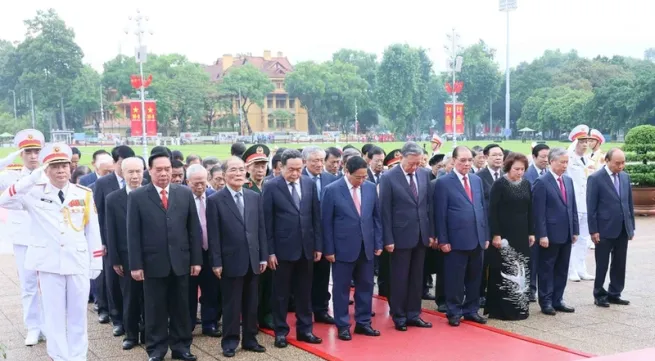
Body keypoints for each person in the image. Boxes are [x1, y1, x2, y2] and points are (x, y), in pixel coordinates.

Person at [0, 143, 103, 361]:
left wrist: (95, 262)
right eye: (54, 166)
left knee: (78, 317)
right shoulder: (34, 193)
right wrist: (29, 179)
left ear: (71, 168)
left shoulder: (83, 194)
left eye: (64, 166)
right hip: (49, 264)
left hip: (77, 261)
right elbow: (4, 200)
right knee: (55, 318)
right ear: (45, 170)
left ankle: (78, 357)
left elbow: (93, 230)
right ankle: (59, 357)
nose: (60, 171)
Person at [127, 152, 203, 361]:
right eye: (158, 169)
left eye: (167, 169)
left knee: (181, 307)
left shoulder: (184, 193)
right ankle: (156, 350)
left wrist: (196, 260)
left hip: (181, 262)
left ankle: (181, 347)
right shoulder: (138, 196)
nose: (163, 173)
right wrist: (136, 264)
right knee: (155, 309)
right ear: (149, 171)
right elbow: (132, 234)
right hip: (152, 263)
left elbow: (193, 229)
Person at [207, 157, 268, 358]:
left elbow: (260, 229)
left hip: (253, 259)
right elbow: (213, 235)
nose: (238, 173)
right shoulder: (215, 200)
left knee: (252, 303)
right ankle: (230, 342)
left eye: (242, 169)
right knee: (231, 304)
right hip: (229, 260)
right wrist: (216, 261)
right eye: (233, 170)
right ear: (224, 174)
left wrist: (263, 257)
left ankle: (250, 339)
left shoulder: (253, 197)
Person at [263, 149, 323, 348]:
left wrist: (317, 245)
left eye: (299, 169)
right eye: (291, 169)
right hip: (282, 250)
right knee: (280, 294)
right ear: (281, 167)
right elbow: (267, 222)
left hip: (306, 248)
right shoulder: (271, 187)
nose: (296, 173)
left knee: (304, 293)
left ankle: (305, 330)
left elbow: (315, 217)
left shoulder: (309, 184)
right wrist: (270, 252)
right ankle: (281, 332)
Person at [322, 156, 383, 341]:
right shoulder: (331, 190)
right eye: (358, 177)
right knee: (341, 289)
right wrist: (329, 249)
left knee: (366, 286)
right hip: (342, 249)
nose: (362, 180)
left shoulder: (370, 188)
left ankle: (363, 323)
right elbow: (326, 223)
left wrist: (378, 243)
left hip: (366, 247)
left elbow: (376, 218)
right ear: (346, 171)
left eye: (365, 176)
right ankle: (342, 325)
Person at [379, 141, 433, 331]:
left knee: (417, 277)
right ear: (401, 158)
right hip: (399, 235)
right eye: (412, 163)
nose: (415, 167)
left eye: (418, 163)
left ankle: (414, 313)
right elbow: (384, 210)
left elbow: (428, 206)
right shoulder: (388, 177)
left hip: (421, 234)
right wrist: (388, 238)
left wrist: (431, 233)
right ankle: (399, 315)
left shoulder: (424, 174)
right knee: (400, 278)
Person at [0, 129, 46, 346]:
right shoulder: (11, 175)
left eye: (36, 151)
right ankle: (33, 327)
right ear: (21, 153)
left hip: (47, 236)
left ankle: (48, 325)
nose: (33, 156)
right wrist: (6, 159)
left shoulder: (49, 173)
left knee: (48, 284)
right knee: (28, 284)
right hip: (23, 236)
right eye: (28, 151)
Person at [435, 146, 489, 326]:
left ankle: (471, 310)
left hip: (477, 238)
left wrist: (485, 235)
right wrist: (443, 239)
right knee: (455, 278)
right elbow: (440, 214)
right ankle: (454, 311)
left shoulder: (476, 180)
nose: (466, 164)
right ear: (454, 161)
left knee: (475, 277)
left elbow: (482, 209)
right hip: (455, 240)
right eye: (462, 161)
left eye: (469, 160)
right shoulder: (444, 182)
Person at [485, 153, 534, 320]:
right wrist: (496, 234)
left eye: (522, 169)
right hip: (504, 234)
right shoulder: (500, 184)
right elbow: (492, 211)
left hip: (521, 232)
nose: (520, 172)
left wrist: (531, 232)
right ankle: (502, 309)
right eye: (516, 169)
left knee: (522, 268)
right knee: (504, 269)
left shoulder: (526, 184)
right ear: (508, 168)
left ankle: (520, 307)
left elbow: (530, 209)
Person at [532, 147, 579, 315]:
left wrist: (575, 230)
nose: (565, 166)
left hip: (566, 233)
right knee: (546, 269)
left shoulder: (567, 180)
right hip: (549, 235)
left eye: (567, 162)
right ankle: (545, 301)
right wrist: (542, 235)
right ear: (552, 162)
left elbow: (572, 207)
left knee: (562, 268)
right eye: (562, 162)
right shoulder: (542, 182)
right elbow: (538, 212)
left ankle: (558, 299)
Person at [94, 145, 135, 333]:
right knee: (113, 279)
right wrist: (101, 241)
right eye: (121, 163)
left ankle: (136, 319)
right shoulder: (103, 183)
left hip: (134, 241)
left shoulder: (140, 181)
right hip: (110, 238)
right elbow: (99, 214)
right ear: (115, 162)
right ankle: (116, 318)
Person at [105, 157, 146, 350]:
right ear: (122, 173)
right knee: (130, 297)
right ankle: (131, 334)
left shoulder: (151, 194)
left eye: (138, 171)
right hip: (126, 257)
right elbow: (110, 231)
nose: (135, 176)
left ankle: (148, 332)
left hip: (151, 256)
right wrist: (114, 259)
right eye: (131, 172)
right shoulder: (113, 199)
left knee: (150, 298)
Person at [587, 148, 635, 307]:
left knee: (620, 262)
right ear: (607, 161)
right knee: (602, 263)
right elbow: (591, 207)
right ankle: (599, 294)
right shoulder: (595, 178)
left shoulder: (625, 177)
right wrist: (593, 230)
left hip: (622, 228)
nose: (621, 166)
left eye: (623, 163)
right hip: (604, 229)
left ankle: (615, 292)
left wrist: (631, 226)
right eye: (617, 163)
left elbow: (628, 204)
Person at [301, 146, 338, 324]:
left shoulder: (331, 179)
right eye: (315, 160)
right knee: (305, 277)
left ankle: (321, 309)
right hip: (304, 237)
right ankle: (304, 310)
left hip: (325, 235)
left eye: (321, 160)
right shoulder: (298, 178)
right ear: (305, 162)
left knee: (323, 275)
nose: (319, 164)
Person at [185, 164, 221, 337]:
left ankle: (210, 323)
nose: (200, 187)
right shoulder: (182, 198)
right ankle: (189, 323)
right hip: (190, 254)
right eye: (195, 183)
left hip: (210, 252)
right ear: (187, 182)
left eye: (203, 183)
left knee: (211, 289)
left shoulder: (214, 197)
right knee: (189, 291)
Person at [566, 125, 596, 282]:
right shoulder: (569, 161)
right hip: (574, 204)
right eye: (582, 141)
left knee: (584, 238)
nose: (585, 144)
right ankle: (571, 269)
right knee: (573, 238)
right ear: (575, 142)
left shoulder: (589, 160)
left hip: (586, 204)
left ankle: (581, 268)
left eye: (587, 141)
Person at [524, 143, 550, 303]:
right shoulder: (527, 174)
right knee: (532, 259)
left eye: (548, 157)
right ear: (534, 157)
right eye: (543, 157)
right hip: (532, 223)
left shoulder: (550, 173)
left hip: (548, 223)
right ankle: (530, 289)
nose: (546, 160)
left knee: (545, 260)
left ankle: (545, 290)